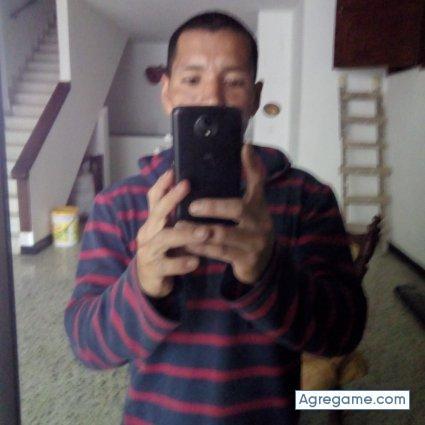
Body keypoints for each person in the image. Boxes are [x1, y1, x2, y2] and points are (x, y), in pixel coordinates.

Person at [65, 11, 367, 425]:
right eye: (192, 79)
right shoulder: (119, 204)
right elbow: (86, 345)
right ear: (167, 92)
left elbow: (344, 331)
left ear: (255, 97)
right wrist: (142, 285)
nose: (212, 98)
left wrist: (269, 274)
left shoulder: (307, 198)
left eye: (234, 81)